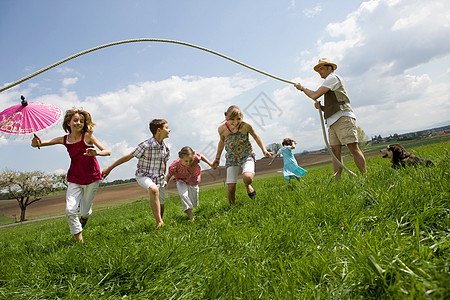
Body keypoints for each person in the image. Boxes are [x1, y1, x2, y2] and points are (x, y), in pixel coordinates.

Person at [31, 108, 111, 243]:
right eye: (75, 120)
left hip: (92, 178)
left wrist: (96, 153)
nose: (78, 123)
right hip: (74, 178)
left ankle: (85, 216)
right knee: (70, 210)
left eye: (81, 121)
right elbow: (42, 143)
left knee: (84, 212)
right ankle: (79, 241)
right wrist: (35, 143)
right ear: (68, 123)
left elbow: (107, 151)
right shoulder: (65, 139)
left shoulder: (88, 136)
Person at [294, 58, 366, 180]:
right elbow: (331, 104)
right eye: (318, 70)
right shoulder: (328, 82)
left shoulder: (333, 78)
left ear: (330, 68)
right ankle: (337, 180)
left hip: (343, 117)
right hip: (332, 121)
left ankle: (365, 177)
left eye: (321, 68)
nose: (319, 71)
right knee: (334, 150)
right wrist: (322, 107)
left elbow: (314, 95)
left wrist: (302, 88)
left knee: (352, 147)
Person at [102, 119, 170, 228]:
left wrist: (163, 178)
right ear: (159, 130)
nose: (169, 130)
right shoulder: (145, 145)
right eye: (166, 128)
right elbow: (128, 157)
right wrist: (110, 168)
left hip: (159, 178)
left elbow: (164, 164)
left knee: (161, 203)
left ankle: (160, 221)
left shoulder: (166, 148)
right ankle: (159, 222)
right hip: (144, 176)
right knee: (153, 189)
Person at [212, 105, 273, 204]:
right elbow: (222, 142)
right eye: (232, 119)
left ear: (242, 117)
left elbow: (256, 137)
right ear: (226, 117)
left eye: (238, 119)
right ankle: (233, 209)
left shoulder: (246, 126)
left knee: (247, 177)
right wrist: (217, 158)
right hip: (231, 158)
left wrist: (264, 150)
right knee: (231, 187)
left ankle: (247, 185)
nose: (235, 123)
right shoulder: (222, 129)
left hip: (246, 155)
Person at [164, 146, 214, 221]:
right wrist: (165, 182)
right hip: (181, 180)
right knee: (183, 195)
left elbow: (201, 156)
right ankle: (191, 217)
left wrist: (210, 164)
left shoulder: (195, 158)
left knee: (194, 203)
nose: (188, 163)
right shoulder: (175, 166)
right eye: (186, 161)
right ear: (180, 158)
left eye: (190, 160)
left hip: (193, 180)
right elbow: (168, 176)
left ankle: (191, 207)